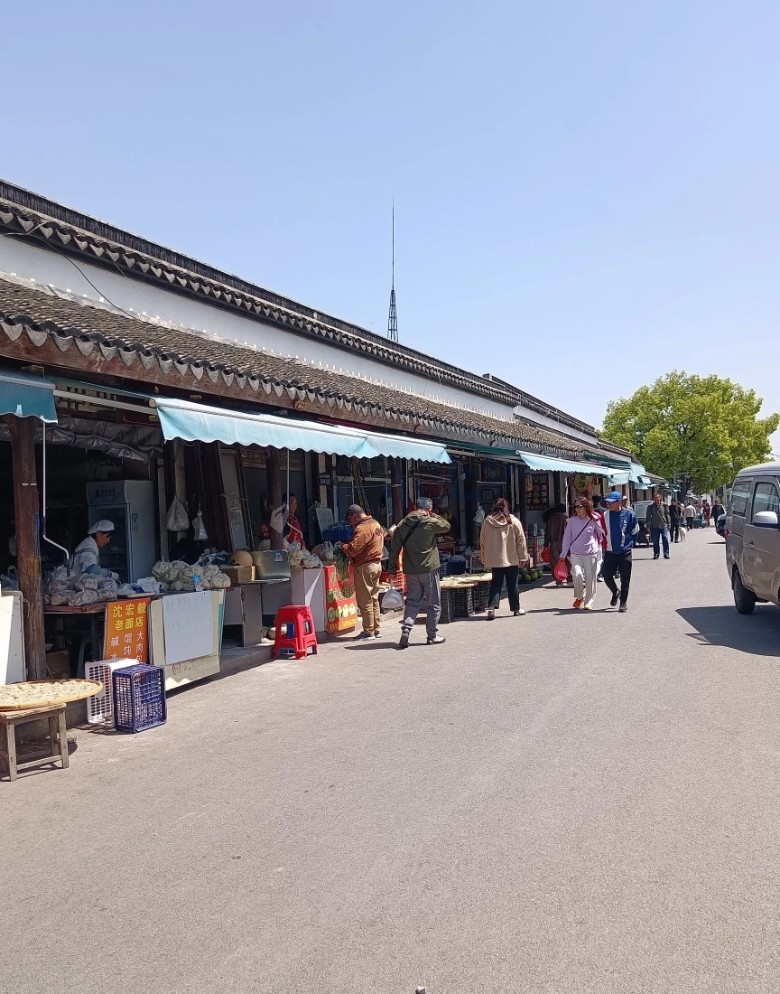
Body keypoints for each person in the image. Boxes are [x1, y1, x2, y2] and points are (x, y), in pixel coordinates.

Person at [388, 497, 451, 649]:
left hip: (411, 571)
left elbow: (394, 548)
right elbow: (446, 526)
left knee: (412, 602)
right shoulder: (430, 522)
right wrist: (433, 515)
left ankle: (406, 629)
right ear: (429, 509)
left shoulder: (403, 524)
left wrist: (391, 569)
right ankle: (432, 635)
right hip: (429, 569)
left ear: (415, 507)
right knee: (433, 603)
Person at [479, 497, 528, 620]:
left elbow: (482, 541)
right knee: (513, 584)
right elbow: (521, 540)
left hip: (495, 560)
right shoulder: (513, 521)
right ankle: (516, 609)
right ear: (506, 507)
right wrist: (523, 556)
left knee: (496, 583)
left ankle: (491, 608)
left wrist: (484, 558)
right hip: (511, 558)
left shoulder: (487, 522)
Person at [341, 504, 385, 641]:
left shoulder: (363, 528)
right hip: (377, 565)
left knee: (365, 600)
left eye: (350, 519)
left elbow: (353, 549)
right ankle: (376, 629)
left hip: (365, 566)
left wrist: (343, 546)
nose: (350, 523)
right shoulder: (375, 523)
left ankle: (368, 631)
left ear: (355, 515)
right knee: (374, 599)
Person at [559, 498, 604, 610]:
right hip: (575, 554)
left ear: (586, 507)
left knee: (590, 578)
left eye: (579, 506)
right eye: (575, 507)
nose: (577, 509)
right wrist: (563, 554)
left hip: (591, 554)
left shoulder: (594, 520)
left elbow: (601, 535)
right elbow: (567, 538)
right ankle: (580, 596)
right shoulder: (572, 521)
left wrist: (600, 546)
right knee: (577, 575)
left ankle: (589, 601)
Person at [601, 491, 638, 613]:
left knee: (625, 579)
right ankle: (615, 591)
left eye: (611, 502)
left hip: (624, 552)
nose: (609, 504)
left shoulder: (629, 514)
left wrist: (630, 543)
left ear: (619, 502)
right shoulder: (605, 515)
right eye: (608, 502)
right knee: (606, 576)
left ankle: (623, 602)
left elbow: (635, 531)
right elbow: (600, 531)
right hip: (610, 552)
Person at [544, 503, 568, 585]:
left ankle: (558, 580)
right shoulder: (565, 518)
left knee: (555, 562)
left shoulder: (551, 518)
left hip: (553, 543)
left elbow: (547, 532)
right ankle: (569, 578)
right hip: (564, 543)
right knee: (566, 561)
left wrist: (546, 544)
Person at [646, 494, 672, 560]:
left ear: (660, 498)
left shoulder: (664, 505)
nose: (656, 500)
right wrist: (648, 526)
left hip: (663, 525)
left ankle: (666, 554)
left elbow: (667, 515)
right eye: (655, 498)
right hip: (654, 526)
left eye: (658, 498)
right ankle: (656, 554)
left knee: (665, 539)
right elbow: (648, 516)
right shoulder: (650, 506)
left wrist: (669, 524)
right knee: (655, 541)